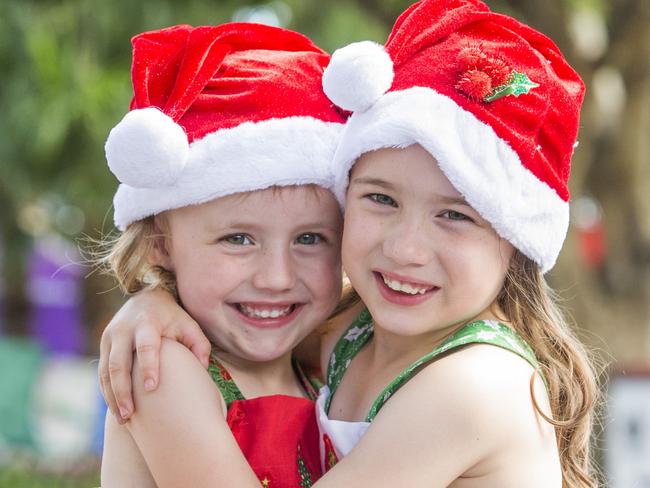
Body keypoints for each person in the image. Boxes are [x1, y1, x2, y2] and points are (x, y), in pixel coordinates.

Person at [99, 1, 599, 486]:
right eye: (381, 199)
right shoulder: (347, 335)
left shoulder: (471, 384)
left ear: (515, 237)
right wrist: (151, 301)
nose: (406, 249)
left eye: (454, 215)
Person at [99, 22, 349, 487]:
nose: (277, 277)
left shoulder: (324, 360)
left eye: (310, 239)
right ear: (160, 243)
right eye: (238, 239)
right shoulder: (165, 368)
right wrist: (148, 299)